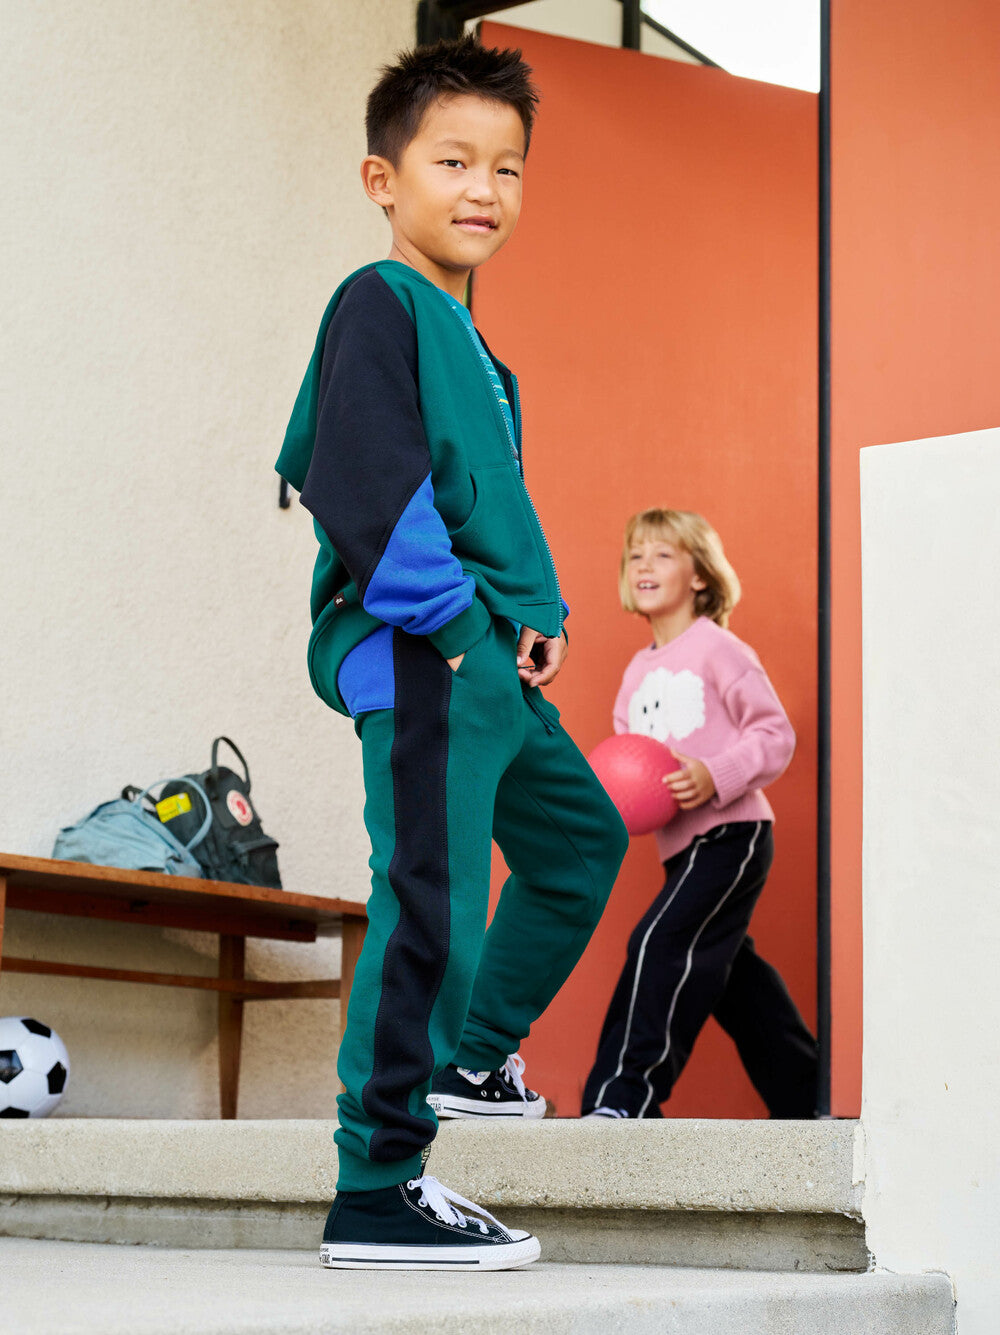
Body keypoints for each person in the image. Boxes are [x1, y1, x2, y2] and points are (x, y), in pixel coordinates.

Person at [275, 35, 628, 1271]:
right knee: (431, 898)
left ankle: (472, 1058)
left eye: (509, 167)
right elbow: (363, 486)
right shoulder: (380, 304)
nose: (484, 188)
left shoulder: (479, 348)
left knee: (579, 839)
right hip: (427, 652)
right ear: (386, 181)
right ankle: (378, 1186)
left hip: (481, 662)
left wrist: (536, 626)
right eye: (453, 160)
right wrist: (470, 633)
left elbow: (489, 511)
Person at [581, 509, 817, 1121]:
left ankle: (622, 1098)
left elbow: (775, 733)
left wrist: (717, 775)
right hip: (681, 849)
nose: (644, 566)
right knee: (735, 978)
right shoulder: (635, 674)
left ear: (700, 578)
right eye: (635, 555)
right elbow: (629, 767)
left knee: (659, 940)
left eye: (663, 554)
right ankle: (806, 1097)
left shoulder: (719, 648)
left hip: (734, 835)